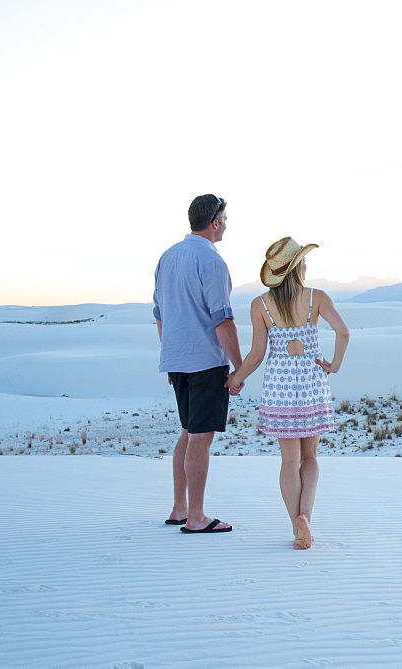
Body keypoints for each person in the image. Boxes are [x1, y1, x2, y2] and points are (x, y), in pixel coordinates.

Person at [228, 237, 350, 549]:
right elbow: (343, 331)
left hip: (279, 388)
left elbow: (256, 354)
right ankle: (305, 516)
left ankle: (295, 523)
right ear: (296, 268)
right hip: (311, 383)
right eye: (303, 261)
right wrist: (333, 365)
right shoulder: (317, 298)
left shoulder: (260, 305)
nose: (306, 265)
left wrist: (235, 379)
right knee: (310, 457)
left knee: (288, 461)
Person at [153, 194, 243, 534]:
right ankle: (197, 517)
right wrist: (240, 366)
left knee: (188, 432)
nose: (226, 226)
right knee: (200, 437)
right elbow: (222, 319)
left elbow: (159, 313)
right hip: (206, 361)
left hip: (177, 359)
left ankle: (180, 508)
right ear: (216, 222)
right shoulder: (212, 261)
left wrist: (170, 355)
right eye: (225, 219)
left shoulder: (167, 256)